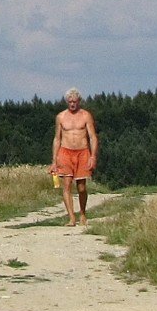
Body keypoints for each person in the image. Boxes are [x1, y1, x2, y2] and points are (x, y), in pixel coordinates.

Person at [51, 88, 98, 227]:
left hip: (82, 152)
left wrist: (93, 156)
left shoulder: (86, 115)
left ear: (79, 101)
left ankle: (82, 213)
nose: (72, 104)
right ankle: (71, 218)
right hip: (65, 152)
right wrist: (54, 160)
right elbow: (57, 138)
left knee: (81, 187)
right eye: (70, 101)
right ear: (67, 101)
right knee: (66, 185)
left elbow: (92, 137)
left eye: (75, 101)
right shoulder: (60, 117)